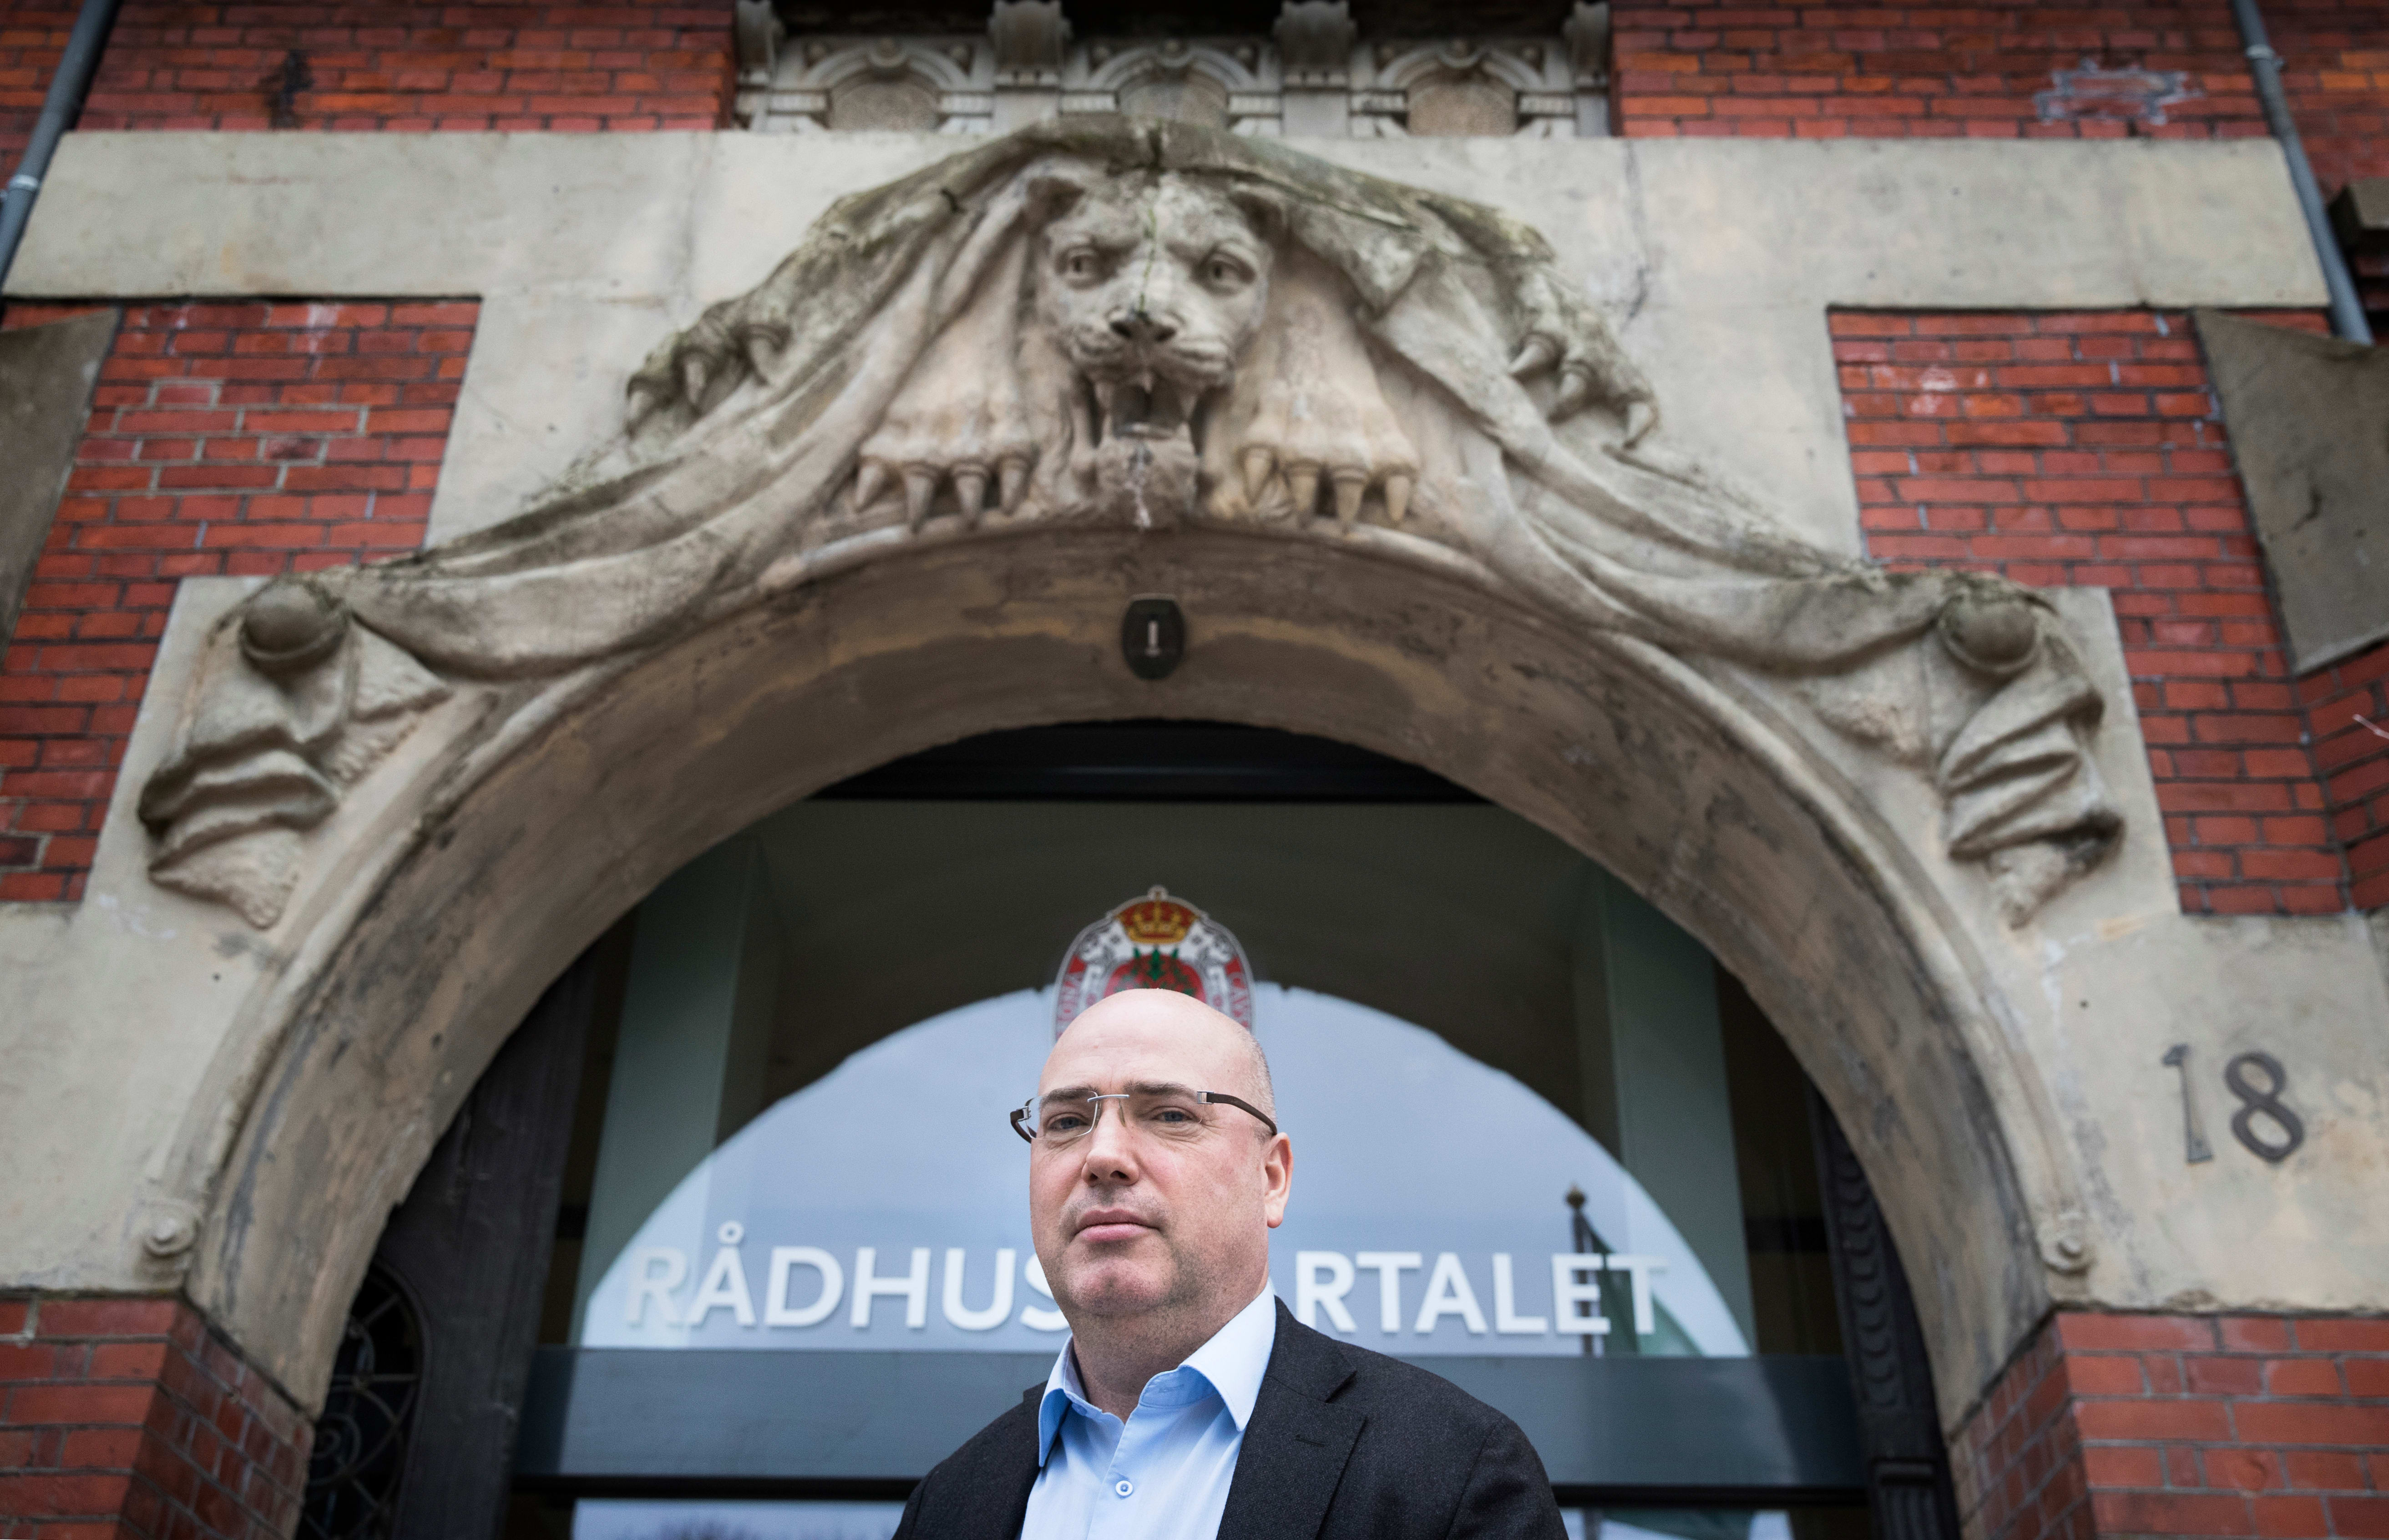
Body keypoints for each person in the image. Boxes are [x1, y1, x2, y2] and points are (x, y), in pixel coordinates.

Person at [892, 988, 1568, 1540]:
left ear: (1271, 1178)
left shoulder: (1453, 1470)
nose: (1103, 1156)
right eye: (1066, 1122)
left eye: (1169, 1115)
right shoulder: (949, 1505)